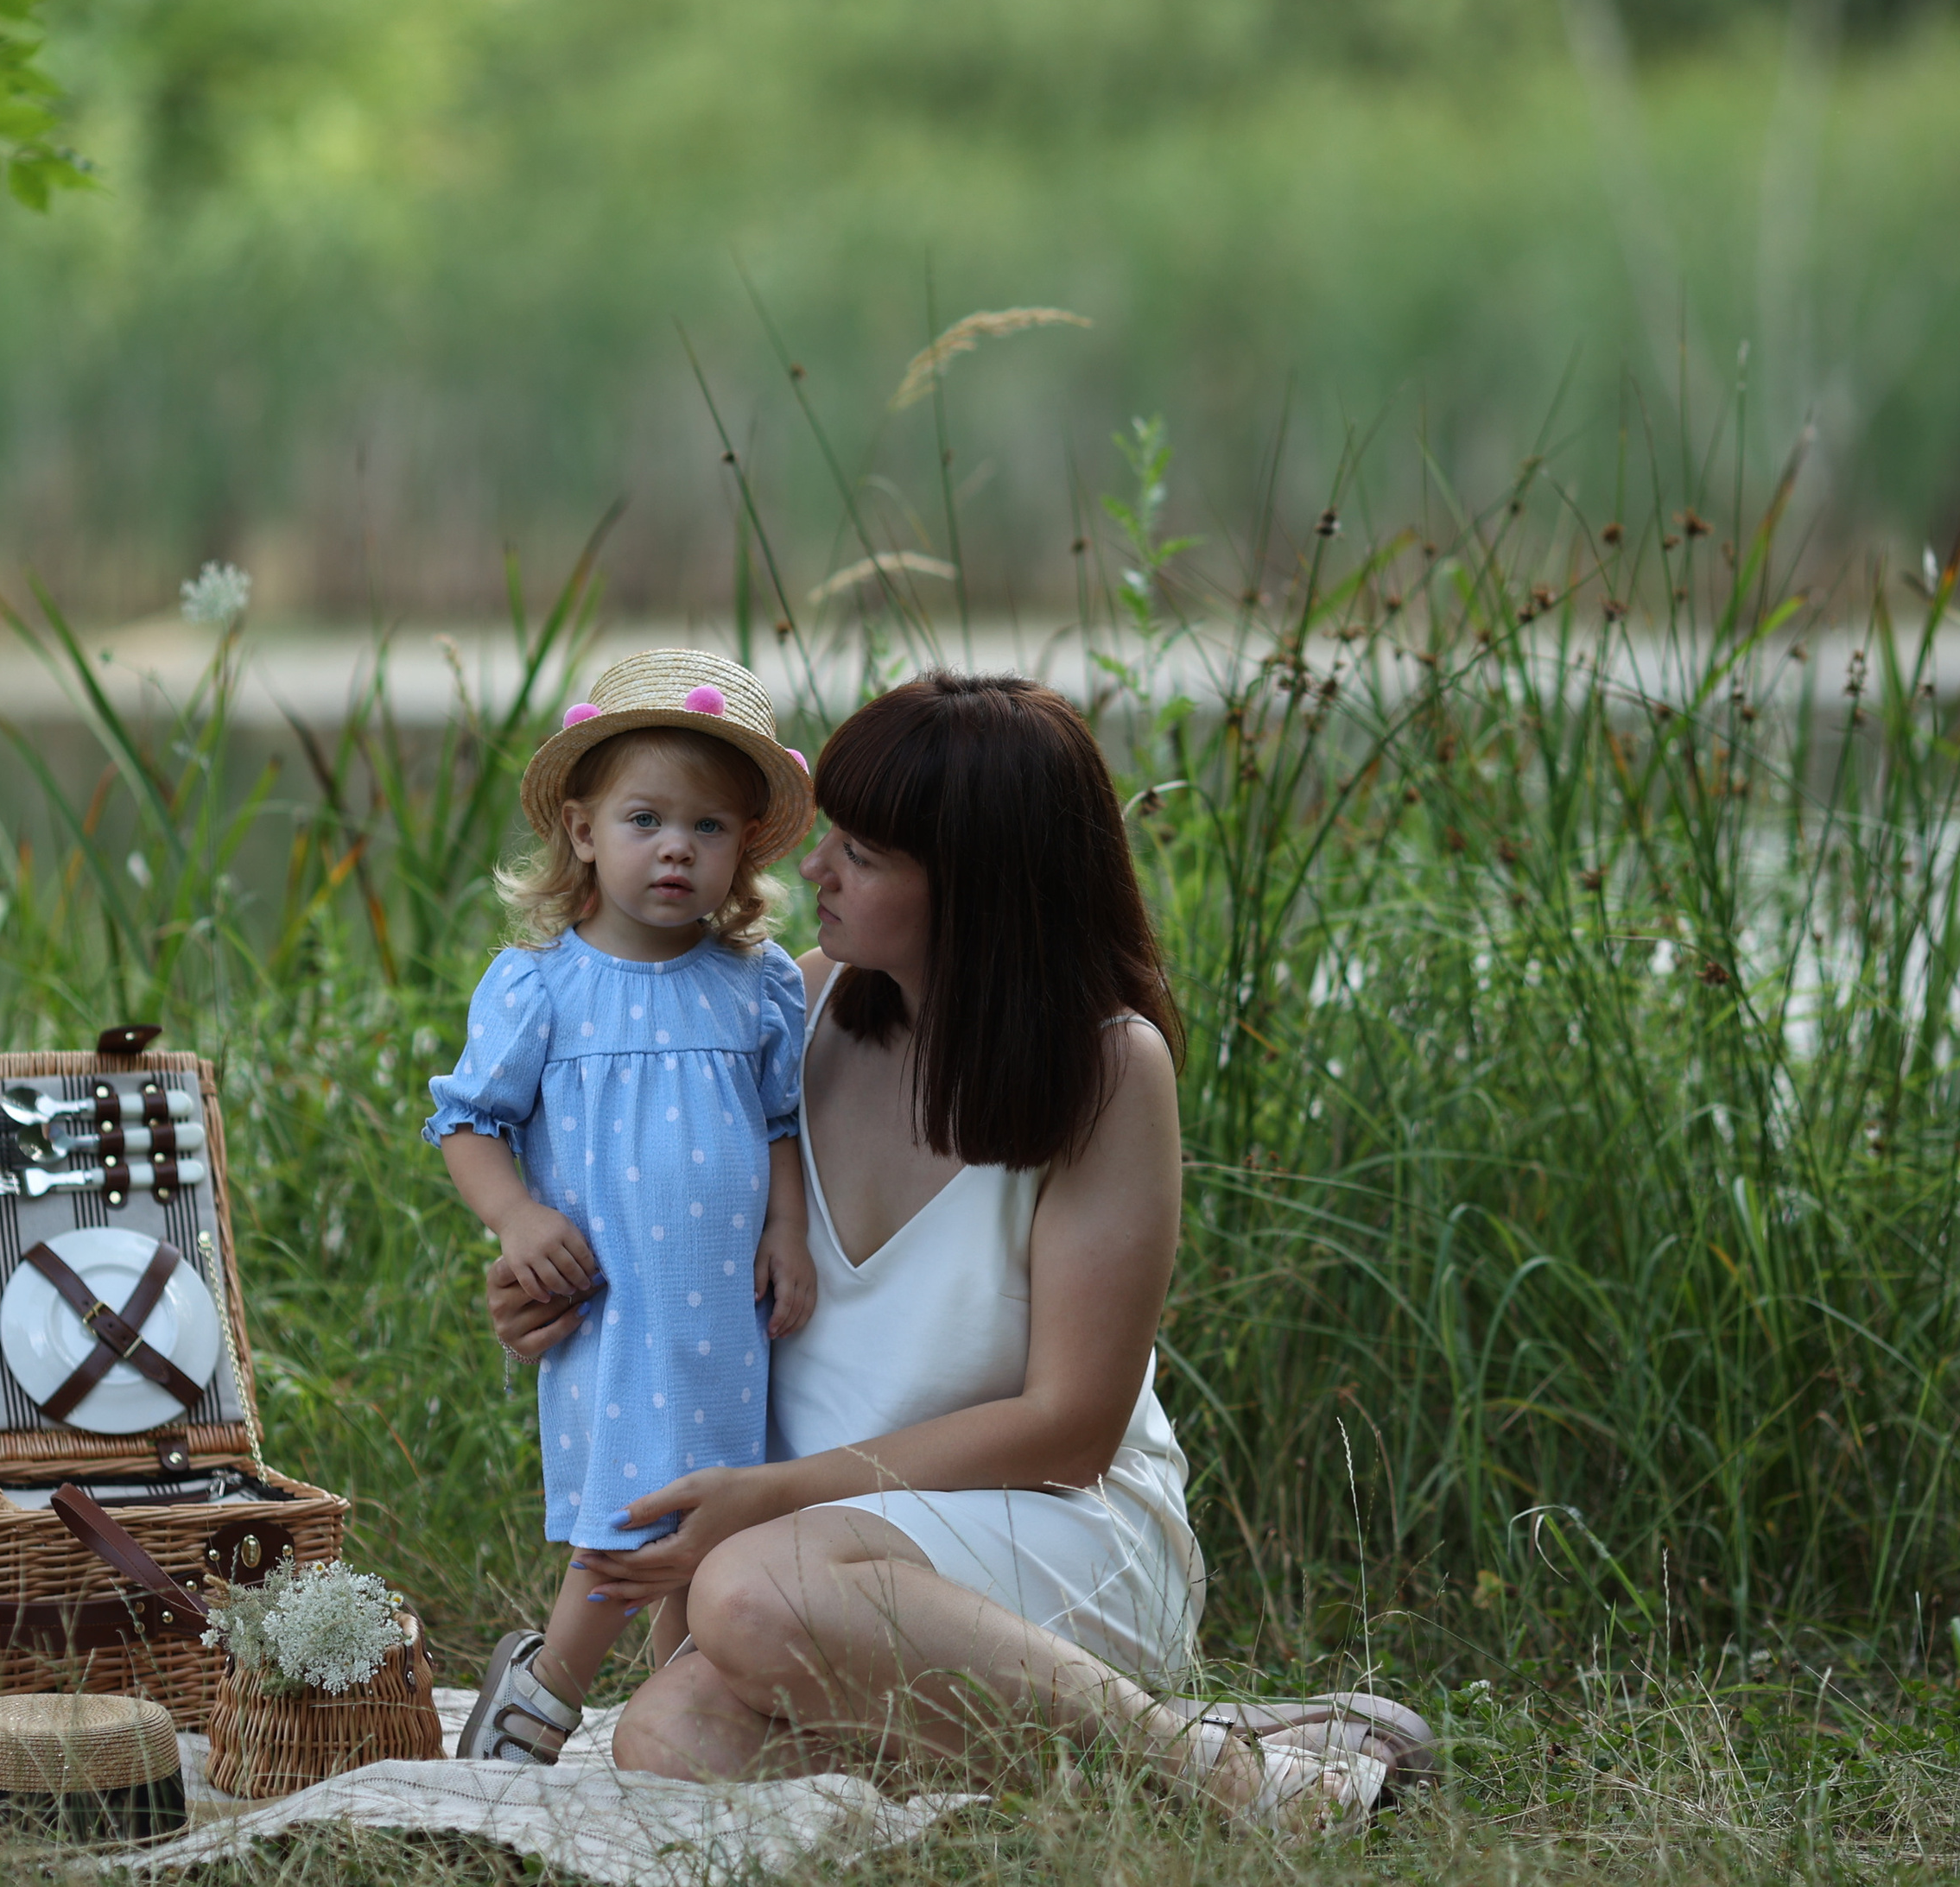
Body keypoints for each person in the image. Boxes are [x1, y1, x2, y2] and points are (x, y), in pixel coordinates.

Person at [487, 673, 1434, 1833]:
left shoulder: (1105, 1069)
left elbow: (1070, 1430)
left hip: (1049, 1527)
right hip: (813, 1566)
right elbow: (668, 1240)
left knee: (749, 1592)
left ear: (978, 887)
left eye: (866, 852)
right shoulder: (794, 1008)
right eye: (830, 834)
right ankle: (1183, 1737)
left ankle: (1255, 1790)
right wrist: (557, 1292)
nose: (815, 868)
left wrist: (769, 1499)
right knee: (666, 1742)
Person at [426, 649, 819, 1765]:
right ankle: (544, 1695)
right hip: (618, 1298)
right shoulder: (541, 983)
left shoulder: (758, 983)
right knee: (640, 1497)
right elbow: (468, 1122)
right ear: (584, 831)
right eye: (646, 819)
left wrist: (787, 1231)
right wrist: (514, 1219)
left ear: (743, 848)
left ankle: (682, 1697)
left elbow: (782, 1123)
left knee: (713, 1495)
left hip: (724, 1307)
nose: (676, 850)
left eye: (708, 828)